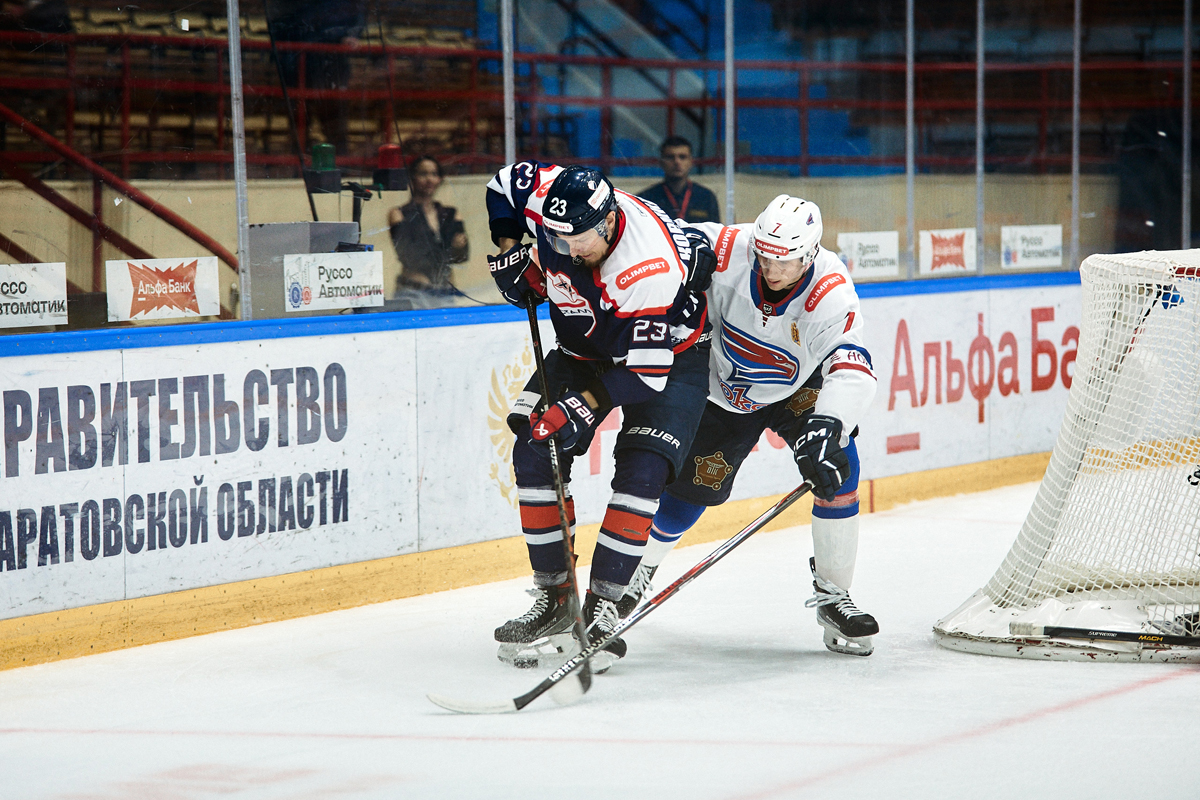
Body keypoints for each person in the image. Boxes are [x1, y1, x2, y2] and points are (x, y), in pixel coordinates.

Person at [617, 194, 882, 656]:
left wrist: (831, 422)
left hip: (796, 387)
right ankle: (635, 574)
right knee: (686, 498)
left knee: (838, 464)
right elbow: (651, 234)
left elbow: (850, 363)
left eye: (785, 261)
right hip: (720, 389)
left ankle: (833, 595)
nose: (771, 269)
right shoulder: (727, 247)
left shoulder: (831, 289)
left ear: (810, 254)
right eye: (764, 256)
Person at [485, 161, 716, 671]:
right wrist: (510, 252)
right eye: (558, 240)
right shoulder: (551, 200)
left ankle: (604, 607)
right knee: (534, 448)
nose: (569, 251)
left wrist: (581, 406)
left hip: (670, 359)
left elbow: (645, 377)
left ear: (609, 222)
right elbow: (502, 185)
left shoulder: (648, 267)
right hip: (584, 348)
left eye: (580, 241)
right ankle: (556, 600)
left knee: (644, 469)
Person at [388, 156, 469, 308]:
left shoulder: (450, 213)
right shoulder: (399, 214)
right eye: (423, 174)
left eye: (434, 174)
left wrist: (456, 248)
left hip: (444, 293)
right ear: (413, 178)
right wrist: (451, 247)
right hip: (413, 291)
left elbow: (461, 256)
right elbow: (412, 256)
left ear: (440, 179)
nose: (429, 179)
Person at [639, 136, 722, 225]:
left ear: (691, 161)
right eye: (670, 157)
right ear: (661, 162)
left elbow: (715, 231)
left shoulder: (706, 197)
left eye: (682, 157)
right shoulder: (646, 199)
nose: (677, 162)